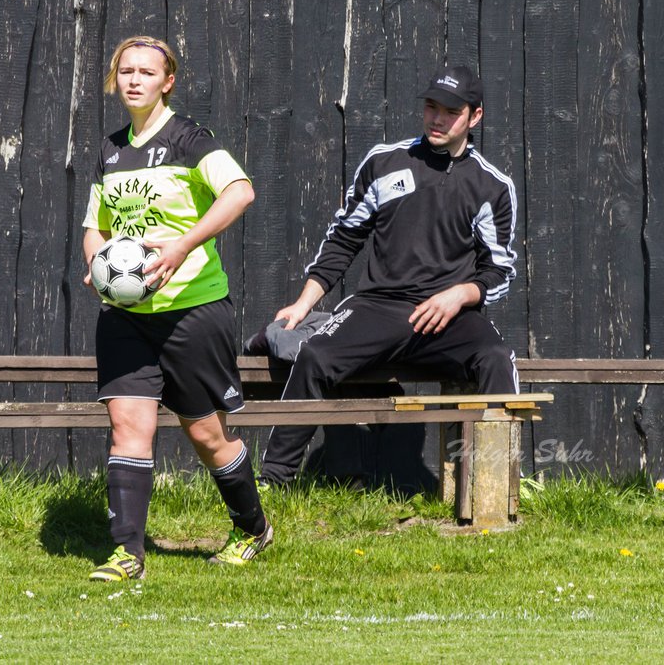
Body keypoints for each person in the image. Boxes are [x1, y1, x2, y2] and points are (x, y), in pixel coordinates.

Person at [258, 65, 519, 486]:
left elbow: (500, 271)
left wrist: (460, 295)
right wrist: (303, 304)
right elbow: (343, 240)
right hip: (378, 307)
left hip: (447, 318)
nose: (437, 118)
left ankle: (494, 489)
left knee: (496, 358)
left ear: (475, 117)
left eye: (450, 111)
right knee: (313, 357)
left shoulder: (492, 186)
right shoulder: (385, 161)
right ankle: (272, 483)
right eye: (431, 107)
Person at [81, 36, 271, 581]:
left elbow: (240, 192)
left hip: (192, 310)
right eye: (126, 71)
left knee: (206, 435)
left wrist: (183, 244)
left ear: (168, 82)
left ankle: (252, 527)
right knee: (127, 426)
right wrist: (100, 266)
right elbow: (97, 227)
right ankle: (126, 554)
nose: (134, 80)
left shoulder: (191, 140)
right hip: (126, 318)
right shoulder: (110, 150)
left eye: (147, 72)